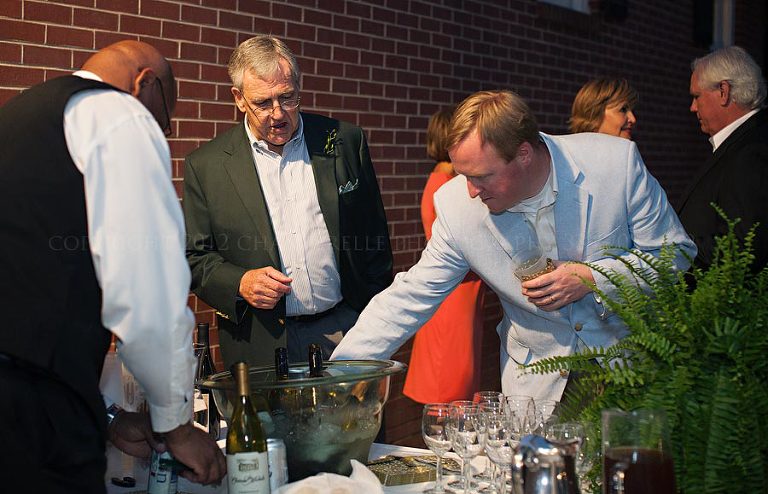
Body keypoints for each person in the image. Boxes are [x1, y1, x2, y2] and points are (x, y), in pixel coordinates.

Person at [332, 90, 696, 403]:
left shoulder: (615, 164)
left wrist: (592, 277)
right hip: (538, 390)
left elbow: (675, 254)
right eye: (464, 176)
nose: (471, 190)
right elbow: (411, 295)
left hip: (627, 373)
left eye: (481, 176)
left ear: (523, 154)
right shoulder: (458, 206)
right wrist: (341, 371)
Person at [0, 41, 225, 492]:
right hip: (35, 416)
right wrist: (176, 425)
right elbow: (146, 292)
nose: (158, 134)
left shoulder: (19, 118)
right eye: (163, 123)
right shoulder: (119, 114)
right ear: (146, 84)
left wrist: (110, 418)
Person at [183, 35, 393, 368]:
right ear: (238, 98)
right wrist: (239, 282)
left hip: (348, 332)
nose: (278, 113)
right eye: (263, 103)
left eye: (287, 97)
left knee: (355, 422)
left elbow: (375, 237)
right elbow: (195, 256)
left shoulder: (344, 141)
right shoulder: (206, 166)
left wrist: (372, 318)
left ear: (298, 85)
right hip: (262, 343)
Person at [402, 108, 487, 404]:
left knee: (460, 376)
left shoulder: (448, 180)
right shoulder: (445, 185)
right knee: (449, 383)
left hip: (466, 291)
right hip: (454, 293)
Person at [678, 45, 768, 271]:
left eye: (697, 96)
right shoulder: (742, 144)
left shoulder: (752, 152)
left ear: (724, 91)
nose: (692, 107)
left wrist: (673, 252)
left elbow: (743, 248)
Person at [569, 78, 639, 139]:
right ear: (594, 112)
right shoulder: (563, 152)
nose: (633, 119)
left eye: (633, 111)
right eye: (623, 110)